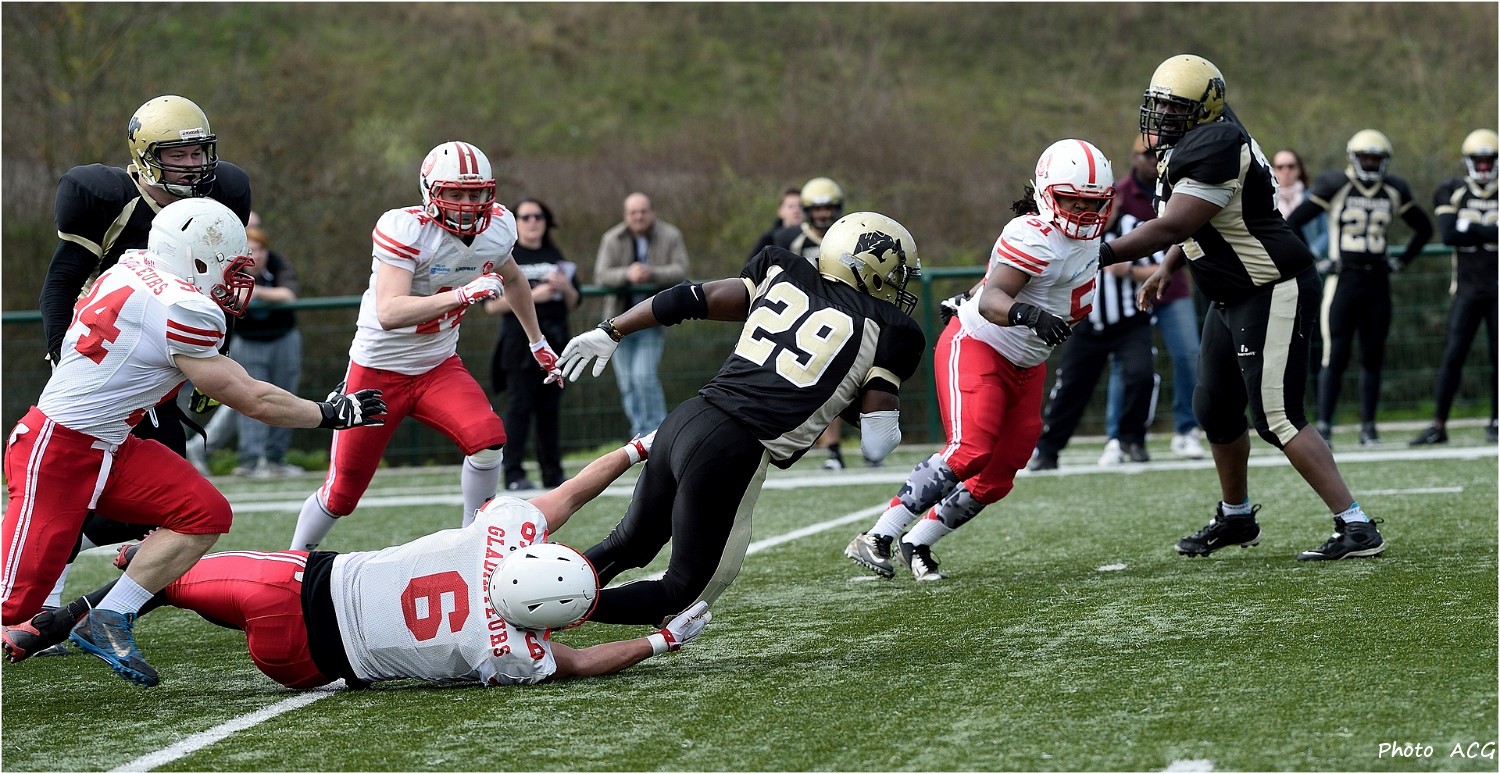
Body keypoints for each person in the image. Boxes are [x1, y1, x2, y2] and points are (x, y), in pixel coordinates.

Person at [1, 198, 386, 686]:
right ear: (194, 259)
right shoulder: (184, 308)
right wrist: (328, 414)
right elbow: (252, 398)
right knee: (13, 603)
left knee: (203, 513)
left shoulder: (134, 265)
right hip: (58, 450)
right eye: (229, 267)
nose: (236, 279)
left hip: (111, 443)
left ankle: (109, 616)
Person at [9, 437, 713, 689]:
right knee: (182, 585)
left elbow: (570, 492)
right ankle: (126, 584)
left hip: (291, 586)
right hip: (308, 667)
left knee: (162, 576)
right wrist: (661, 641)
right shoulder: (514, 653)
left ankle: (43, 624)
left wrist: (636, 449)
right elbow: (583, 662)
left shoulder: (498, 533)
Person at [561, 212, 925, 624]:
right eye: (897, 274)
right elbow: (878, 443)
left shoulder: (782, 271)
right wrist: (847, 392)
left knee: (629, 543)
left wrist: (611, 330)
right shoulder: (891, 329)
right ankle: (545, 610)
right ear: (870, 270)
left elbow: (688, 298)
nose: (900, 285)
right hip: (734, 448)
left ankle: (526, 593)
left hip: (686, 418)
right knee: (681, 594)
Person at [1099, 53, 1385, 561]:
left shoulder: (1216, 144)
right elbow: (1201, 222)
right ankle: (1236, 517)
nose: (1163, 116)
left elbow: (1175, 223)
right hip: (1232, 294)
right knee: (1214, 408)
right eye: (1160, 105)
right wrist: (1169, 266)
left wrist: (1098, 254)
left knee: (1278, 416)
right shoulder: (1198, 141)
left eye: (1176, 107)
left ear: (1204, 110)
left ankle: (1356, 525)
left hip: (1272, 286)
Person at [847, 140, 1114, 581]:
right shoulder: (1032, 233)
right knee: (970, 449)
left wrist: (1179, 234)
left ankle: (918, 541)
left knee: (1000, 474)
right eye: (1073, 200)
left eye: (1093, 202)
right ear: (1048, 193)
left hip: (1027, 364)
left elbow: (1014, 278)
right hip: (980, 345)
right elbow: (995, 298)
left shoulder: (1086, 241)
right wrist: (1029, 315)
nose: (1084, 212)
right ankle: (878, 534)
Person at [33, 95, 254, 625]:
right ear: (144, 156)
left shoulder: (224, 193)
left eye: (199, 152)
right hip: (111, 355)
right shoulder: (110, 200)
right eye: (177, 155)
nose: (192, 165)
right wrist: (63, 354)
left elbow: (219, 289)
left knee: (158, 497)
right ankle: (46, 605)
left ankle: (59, 593)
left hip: (164, 357)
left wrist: (214, 358)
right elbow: (60, 284)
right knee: (145, 496)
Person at [290, 141, 564, 553]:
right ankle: (293, 559)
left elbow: (515, 279)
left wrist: (536, 341)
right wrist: (463, 295)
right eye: (455, 193)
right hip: (378, 371)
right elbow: (390, 311)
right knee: (342, 493)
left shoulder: (497, 228)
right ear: (430, 191)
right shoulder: (408, 230)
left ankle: (474, 544)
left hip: (438, 366)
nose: (467, 205)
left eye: (476, 194)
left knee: (489, 439)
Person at [1285, 129, 1434, 447]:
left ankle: (1368, 427)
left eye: (1375, 158)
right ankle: (1325, 426)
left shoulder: (1394, 189)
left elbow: (1424, 228)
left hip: (1377, 281)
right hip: (1344, 280)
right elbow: (1293, 222)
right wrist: (1316, 260)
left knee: (1373, 355)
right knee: (1335, 354)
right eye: (1365, 157)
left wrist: (1402, 261)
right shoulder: (1335, 185)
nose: (1369, 163)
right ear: (1353, 158)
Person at [1028, 141, 1157, 472]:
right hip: (1084, 323)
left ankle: (1132, 439)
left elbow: (1161, 267)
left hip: (1129, 321)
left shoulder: (1132, 228)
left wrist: (1129, 270)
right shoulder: (1063, 229)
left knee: (1141, 376)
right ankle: (1048, 450)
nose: (1090, 208)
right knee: (1071, 387)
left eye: (1099, 201)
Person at [1099, 135, 1206, 462]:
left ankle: (1186, 430)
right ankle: (1118, 436)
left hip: (1172, 288)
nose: (1152, 159)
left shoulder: (1180, 188)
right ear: (1134, 157)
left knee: (1188, 355)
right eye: (1146, 154)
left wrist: (1136, 270)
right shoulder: (1119, 193)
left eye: (1159, 154)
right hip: (1130, 296)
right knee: (1127, 365)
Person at [772, 177, 871, 470]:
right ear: (807, 210)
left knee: (860, 383)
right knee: (824, 386)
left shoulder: (850, 235)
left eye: (828, 207)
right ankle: (833, 451)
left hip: (848, 316)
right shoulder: (789, 238)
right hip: (805, 320)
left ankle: (870, 444)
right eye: (817, 209)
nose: (823, 214)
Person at [485, 197, 580, 490]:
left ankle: (553, 473)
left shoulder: (555, 254)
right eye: (525, 217)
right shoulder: (506, 255)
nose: (533, 222)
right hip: (519, 345)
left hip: (556, 342)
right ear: (515, 222)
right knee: (519, 409)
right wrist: (532, 297)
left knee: (549, 411)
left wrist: (564, 287)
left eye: (538, 216)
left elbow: (574, 301)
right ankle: (513, 473)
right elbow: (490, 306)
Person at [1410, 129, 1498, 446]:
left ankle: (1496, 421)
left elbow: (1461, 230)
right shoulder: (1452, 189)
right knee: (1453, 355)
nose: (1484, 167)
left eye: (1489, 161)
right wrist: (1490, 230)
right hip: (1467, 288)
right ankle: (1439, 424)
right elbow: (1449, 235)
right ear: (1468, 161)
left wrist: (1469, 225)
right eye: (1479, 161)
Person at [594, 192, 691, 441]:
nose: (639, 216)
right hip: (618, 323)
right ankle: (638, 433)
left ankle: (657, 433)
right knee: (627, 383)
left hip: (651, 321)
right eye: (633, 212)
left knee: (644, 377)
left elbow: (681, 270)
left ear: (652, 212)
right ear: (625, 216)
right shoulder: (611, 238)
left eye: (643, 211)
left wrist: (651, 274)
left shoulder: (671, 236)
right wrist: (628, 274)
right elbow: (602, 275)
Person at [226, 223, 305, 477]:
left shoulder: (278, 265)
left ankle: (276, 459)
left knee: (286, 398)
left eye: (260, 250)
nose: (256, 256)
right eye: (250, 251)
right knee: (250, 400)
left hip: (283, 339)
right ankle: (250, 461)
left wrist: (257, 292)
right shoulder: (230, 271)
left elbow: (288, 295)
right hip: (248, 343)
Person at [1272, 148, 1329, 265]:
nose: (1286, 171)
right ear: (1273, 170)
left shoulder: (1313, 198)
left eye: (1291, 166)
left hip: (1310, 264)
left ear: (1299, 169)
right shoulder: (1266, 201)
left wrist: (1312, 253)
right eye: (1280, 167)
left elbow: (1326, 232)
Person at [747, 186, 803, 259]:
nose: (796, 210)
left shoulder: (813, 237)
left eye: (800, 206)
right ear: (780, 211)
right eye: (790, 206)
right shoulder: (769, 240)